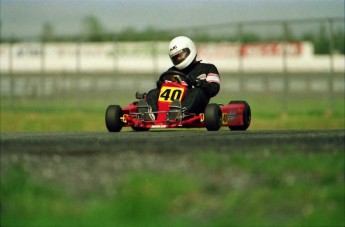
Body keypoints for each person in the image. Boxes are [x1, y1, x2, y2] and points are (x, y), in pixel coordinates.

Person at [140, 36, 221, 120]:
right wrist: (161, 86)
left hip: (196, 106)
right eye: (175, 57)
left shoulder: (207, 68)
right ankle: (152, 115)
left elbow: (214, 89)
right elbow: (165, 94)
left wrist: (198, 82)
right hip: (171, 106)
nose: (178, 58)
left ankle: (180, 113)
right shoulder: (170, 72)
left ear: (189, 50)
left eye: (180, 55)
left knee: (197, 91)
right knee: (152, 93)